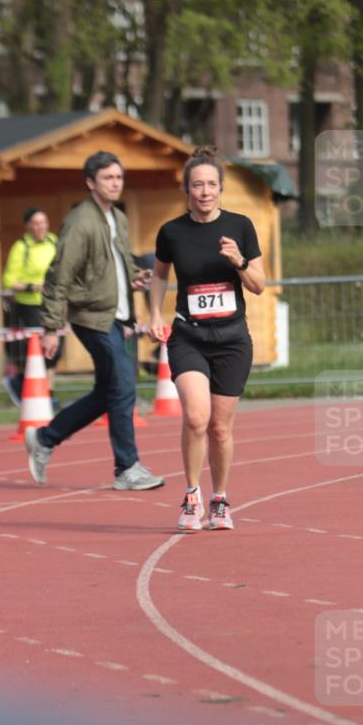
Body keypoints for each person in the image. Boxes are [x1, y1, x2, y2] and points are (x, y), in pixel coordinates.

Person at [24, 151, 164, 491]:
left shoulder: (117, 216)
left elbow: (115, 263)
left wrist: (134, 277)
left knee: (109, 391)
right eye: (107, 178)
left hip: (115, 315)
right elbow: (58, 276)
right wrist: (51, 328)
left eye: (118, 177)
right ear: (90, 183)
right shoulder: (79, 222)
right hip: (91, 317)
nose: (115, 183)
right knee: (124, 383)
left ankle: (45, 438)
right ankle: (127, 468)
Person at [148, 145, 265, 531]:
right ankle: (192, 494)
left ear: (221, 188)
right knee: (197, 418)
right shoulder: (172, 232)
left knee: (220, 428)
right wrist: (152, 313)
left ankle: (220, 499)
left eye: (211, 184)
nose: (204, 192)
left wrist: (239, 262)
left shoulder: (241, 227)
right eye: (197, 185)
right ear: (186, 189)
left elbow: (259, 286)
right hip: (189, 337)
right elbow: (161, 274)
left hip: (232, 339)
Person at [2, 207, 60, 407]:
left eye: (43, 222)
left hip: (54, 302)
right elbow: (9, 280)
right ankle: (24, 385)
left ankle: (48, 392)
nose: (40, 226)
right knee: (41, 349)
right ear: (27, 226)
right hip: (30, 305)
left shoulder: (54, 241)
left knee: (56, 350)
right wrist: (33, 286)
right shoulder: (21, 247)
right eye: (35, 223)